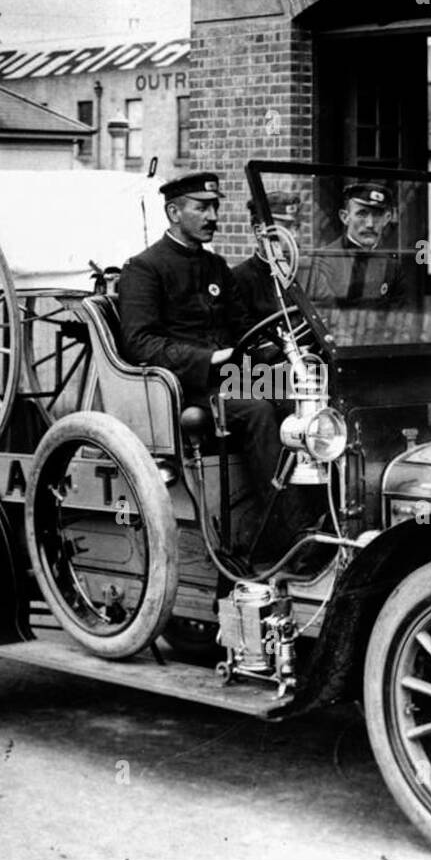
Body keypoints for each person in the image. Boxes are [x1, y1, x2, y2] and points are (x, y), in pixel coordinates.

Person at [118, 172, 309, 566]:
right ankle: (290, 536)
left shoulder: (216, 266)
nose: (213, 216)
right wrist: (209, 359)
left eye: (215, 207)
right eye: (202, 208)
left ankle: (317, 517)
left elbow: (244, 329)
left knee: (305, 402)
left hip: (233, 378)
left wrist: (287, 356)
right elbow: (140, 342)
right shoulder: (144, 268)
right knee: (257, 409)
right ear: (174, 212)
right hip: (183, 385)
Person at [302, 181, 408, 306]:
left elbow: (400, 313)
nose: (370, 224)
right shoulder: (323, 262)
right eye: (362, 214)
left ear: (386, 219)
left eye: (377, 215)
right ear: (345, 217)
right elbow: (322, 312)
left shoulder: (392, 267)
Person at [233, 191, 301, 324]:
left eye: (297, 227)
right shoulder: (238, 280)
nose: (295, 236)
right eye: (286, 228)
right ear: (259, 231)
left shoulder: (303, 274)